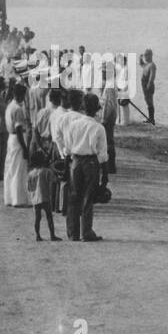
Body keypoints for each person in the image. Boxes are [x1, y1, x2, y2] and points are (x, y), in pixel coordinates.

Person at [64, 92, 109, 241]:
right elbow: (103, 156)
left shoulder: (73, 125)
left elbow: (67, 149)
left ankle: (72, 232)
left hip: (75, 162)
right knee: (88, 198)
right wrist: (105, 178)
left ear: (82, 107)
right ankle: (86, 232)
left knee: (73, 197)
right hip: (91, 163)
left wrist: (66, 169)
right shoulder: (99, 128)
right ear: (96, 109)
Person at [3, 83, 30, 206]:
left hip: (11, 138)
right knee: (19, 169)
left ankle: (9, 197)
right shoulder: (18, 109)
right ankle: (18, 199)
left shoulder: (10, 106)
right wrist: (25, 147)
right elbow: (19, 129)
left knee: (10, 168)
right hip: (18, 138)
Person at [28, 150, 61, 240]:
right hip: (45, 197)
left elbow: (29, 188)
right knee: (49, 217)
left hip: (35, 199)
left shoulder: (31, 173)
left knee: (37, 218)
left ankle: (38, 236)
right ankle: (52, 235)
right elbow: (55, 180)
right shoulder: (46, 171)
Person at [140, 49, 157, 124]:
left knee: (150, 101)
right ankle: (150, 118)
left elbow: (152, 76)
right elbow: (141, 64)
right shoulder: (147, 64)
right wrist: (140, 58)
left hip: (148, 85)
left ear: (150, 55)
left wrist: (149, 84)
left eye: (146, 55)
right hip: (145, 84)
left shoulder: (152, 65)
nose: (145, 57)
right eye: (145, 55)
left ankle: (152, 119)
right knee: (147, 101)